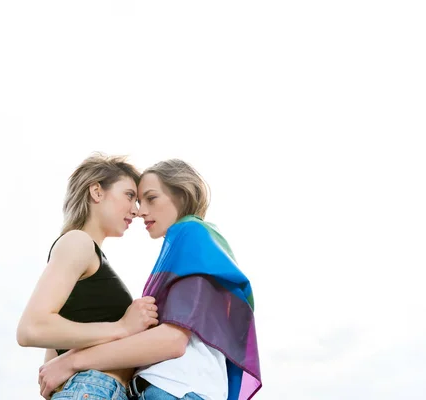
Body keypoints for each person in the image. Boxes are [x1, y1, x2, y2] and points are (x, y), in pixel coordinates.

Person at [38, 159, 262, 400]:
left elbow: (172, 340)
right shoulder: (182, 248)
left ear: (182, 195)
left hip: (175, 389)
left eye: (151, 198)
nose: (140, 211)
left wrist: (72, 361)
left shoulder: (192, 235)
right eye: (137, 201)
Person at [16, 153, 160, 400]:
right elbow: (31, 329)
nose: (136, 211)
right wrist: (122, 327)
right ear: (97, 192)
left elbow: (52, 367)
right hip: (92, 389)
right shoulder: (78, 242)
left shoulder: (83, 254)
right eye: (129, 196)